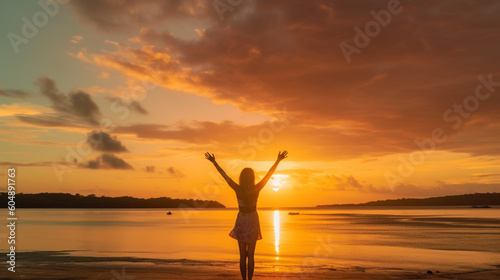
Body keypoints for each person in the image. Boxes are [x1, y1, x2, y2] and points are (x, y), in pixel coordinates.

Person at [205, 150, 288, 280]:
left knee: (243, 255)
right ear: (252, 178)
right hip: (253, 220)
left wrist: (214, 163)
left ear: (242, 178)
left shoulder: (238, 189)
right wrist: (277, 161)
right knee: (251, 255)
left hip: (242, 220)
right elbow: (268, 175)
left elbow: (225, 176)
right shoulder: (257, 188)